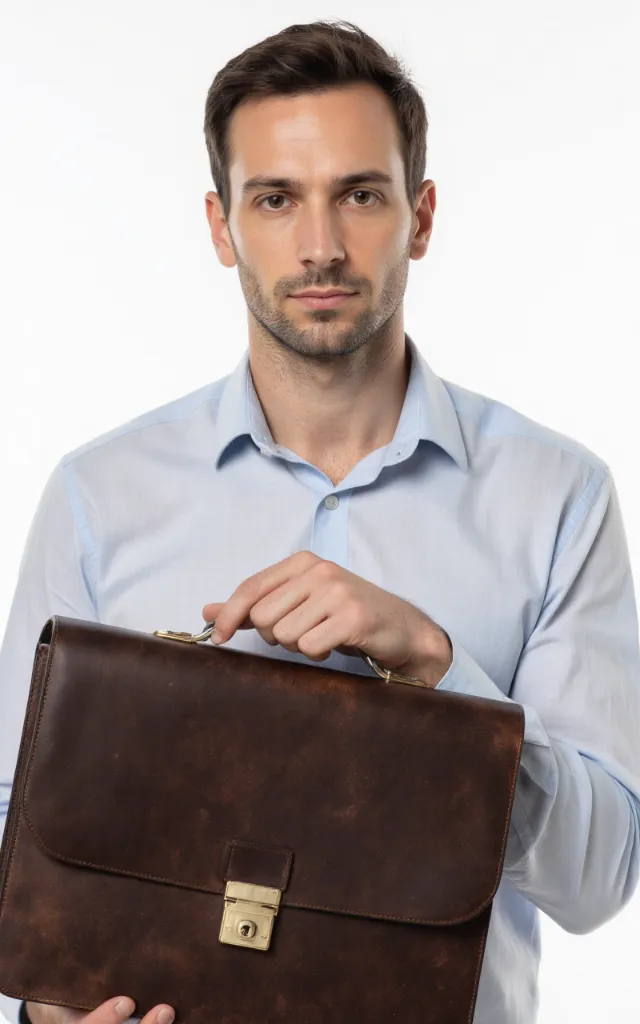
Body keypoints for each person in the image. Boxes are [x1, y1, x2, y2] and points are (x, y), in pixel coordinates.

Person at [1, 17, 639, 1024]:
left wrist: (438, 667)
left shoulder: (557, 499)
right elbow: (13, 825)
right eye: (275, 198)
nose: (321, 245)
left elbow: (600, 878)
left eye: (360, 194)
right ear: (221, 227)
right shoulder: (99, 496)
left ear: (420, 216)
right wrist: (46, 1011)